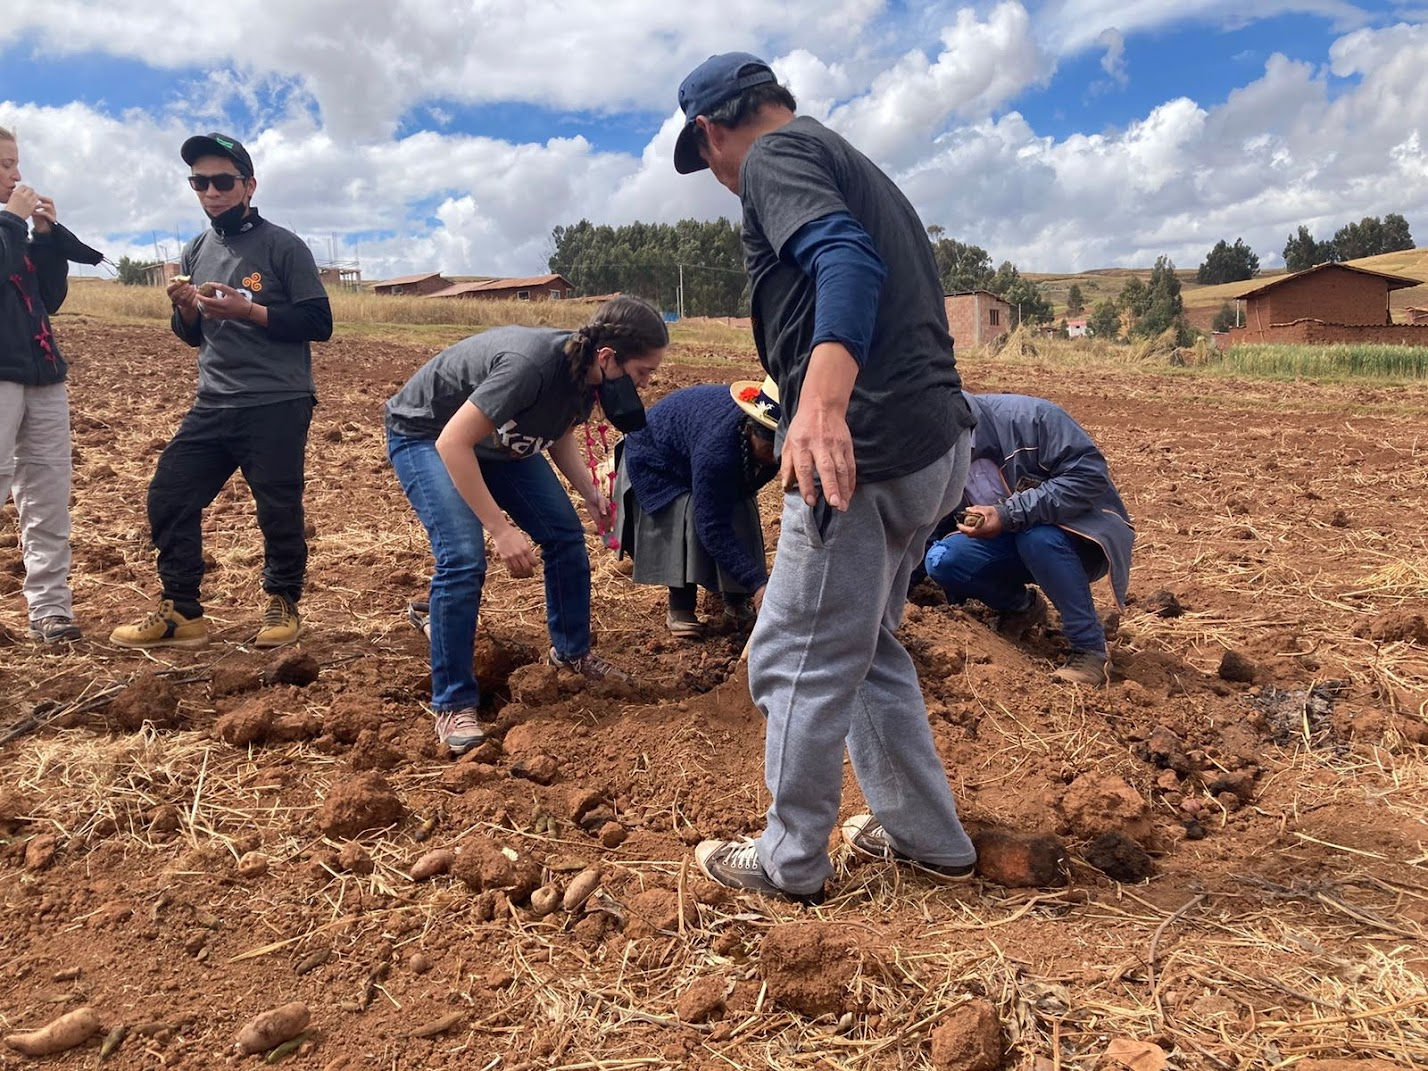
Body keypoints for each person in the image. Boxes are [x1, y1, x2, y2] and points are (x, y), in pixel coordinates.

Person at [673, 53, 979, 903]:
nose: (722, 182)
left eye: (708, 165)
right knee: (864, 647)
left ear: (711, 130)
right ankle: (929, 838)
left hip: (862, 457)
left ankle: (789, 861)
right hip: (932, 447)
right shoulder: (846, 158)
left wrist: (822, 403)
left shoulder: (774, 157)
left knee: (791, 657)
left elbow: (847, 261)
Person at [384, 296, 666, 757]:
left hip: (497, 443)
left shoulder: (586, 376)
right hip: (428, 435)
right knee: (463, 556)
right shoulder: (530, 366)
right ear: (609, 357)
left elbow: (555, 430)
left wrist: (589, 494)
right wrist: (499, 528)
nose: (646, 382)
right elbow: (453, 442)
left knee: (564, 535)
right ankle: (453, 703)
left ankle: (571, 653)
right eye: (643, 372)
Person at [110, 133, 332, 650]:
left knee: (277, 507)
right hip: (214, 401)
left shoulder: (283, 246)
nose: (211, 191)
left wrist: (250, 311)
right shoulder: (198, 248)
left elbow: (318, 321)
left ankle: (283, 603)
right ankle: (181, 610)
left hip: (276, 400)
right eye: (200, 182)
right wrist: (186, 307)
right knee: (170, 493)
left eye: (223, 181)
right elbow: (193, 335)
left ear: (249, 186)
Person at [922, 393, 1134, 686]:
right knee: (943, 560)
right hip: (1007, 545)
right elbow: (929, 521)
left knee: (1036, 537)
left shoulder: (1033, 418)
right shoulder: (931, 447)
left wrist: (1008, 514)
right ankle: (1021, 607)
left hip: (1079, 538)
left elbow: (1088, 477)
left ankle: (1090, 651)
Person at [1, 125, 105, 643]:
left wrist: (44, 239)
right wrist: (12, 222)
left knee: (47, 492)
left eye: (16, 163)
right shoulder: (6, 226)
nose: (17, 175)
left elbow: (49, 298)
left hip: (42, 373)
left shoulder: (15, 230)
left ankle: (51, 609)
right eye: (3, 166)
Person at [611, 376, 780, 639]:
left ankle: (736, 601)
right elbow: (711, 526)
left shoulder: (769, 451)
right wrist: (759, 583)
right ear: (750, 430)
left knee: (741, 508)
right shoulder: (718, 451)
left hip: (695, 454)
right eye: (769, 448)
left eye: (780, 450)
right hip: (655, 459)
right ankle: (680, 605)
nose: (774, 457)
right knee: (686, 514)